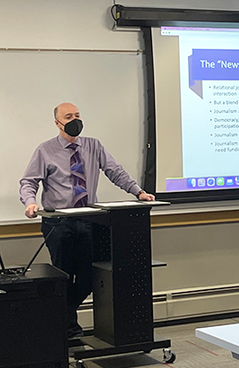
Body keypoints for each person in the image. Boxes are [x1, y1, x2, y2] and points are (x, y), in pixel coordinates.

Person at [19, 102, 155, 339]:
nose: (75, 119)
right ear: (57, 123)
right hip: (58, 222)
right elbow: (29, 181)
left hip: (89, 220)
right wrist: (30, 202)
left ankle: (62, 317)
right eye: (68, 116)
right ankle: (69, 329)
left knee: (90, 276)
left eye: (78, 115)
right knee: (63, 274)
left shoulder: (93, 146)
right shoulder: (45, 150)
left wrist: (138, 192)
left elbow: (115, 171)